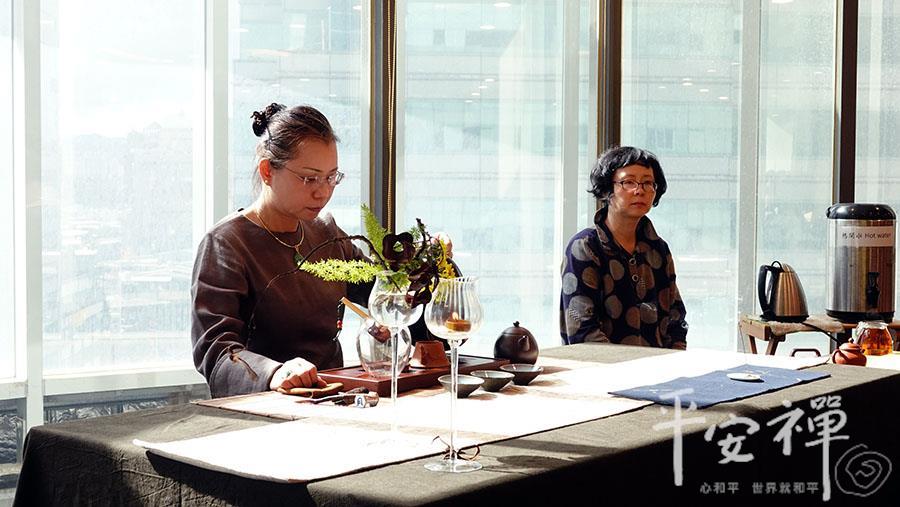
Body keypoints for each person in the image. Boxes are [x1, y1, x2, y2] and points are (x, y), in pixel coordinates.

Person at [191, 103, 371, 397]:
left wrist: (427, 265)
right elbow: (216, 350)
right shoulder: (227, 244)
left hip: (333, 399)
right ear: (267, 171)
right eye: (309, 178)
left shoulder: (325, 232)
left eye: (331, 177)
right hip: (264, 406)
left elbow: (385, 290)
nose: (323, 192)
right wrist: (274, 372)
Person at [560, 146, 688, 349]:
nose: (639, 190)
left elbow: (676, 317)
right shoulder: (585, 247)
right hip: (600, 366)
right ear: (607, 189)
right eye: (628, 182)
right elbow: (582, 331)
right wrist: (631, 365)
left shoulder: (659, 249)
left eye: (648, 183)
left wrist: (674, 360)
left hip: (660, 366)